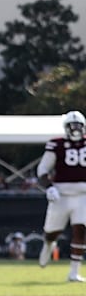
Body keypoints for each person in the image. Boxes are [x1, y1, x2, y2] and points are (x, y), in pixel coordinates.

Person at [36, 110, 86, 282]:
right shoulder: (56, 144)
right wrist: (49, 187)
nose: (75, 129)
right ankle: (48, 243)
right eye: (72, 126)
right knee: (52, 232)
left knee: (81, 229)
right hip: (61, 194)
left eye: (78, 126)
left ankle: (74, 272)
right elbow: (42, 169)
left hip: (83, 194)